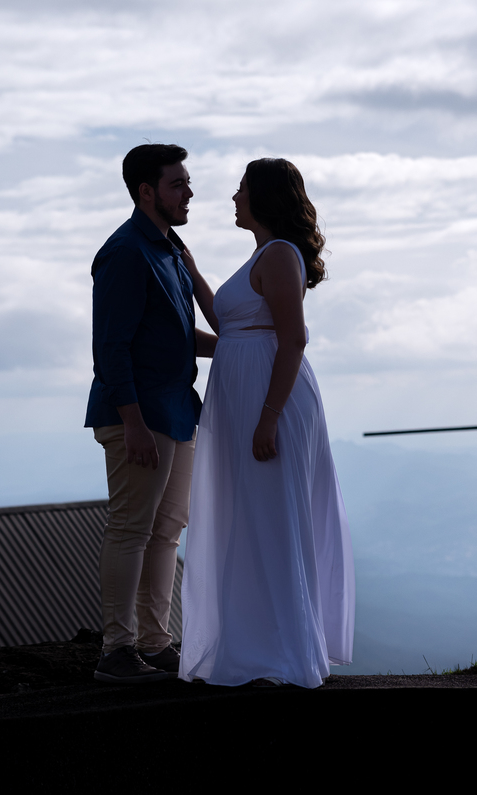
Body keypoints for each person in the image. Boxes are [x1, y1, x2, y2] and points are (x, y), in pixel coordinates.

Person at [178, 158, 354, 688]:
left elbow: (293, 339)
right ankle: (255, 647)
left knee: (271, 518)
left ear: (264, 196)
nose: (234, 198)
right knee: (248, 517)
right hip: (246, 397)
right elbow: (229, 327)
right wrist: (192, 273)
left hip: (271, 401)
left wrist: (268, 418)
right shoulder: (262, 254)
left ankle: (282, 654)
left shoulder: (278, 254)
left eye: (241, 189)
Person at [85, 144, 217, 683]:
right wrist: (133, 422)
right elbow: (110, 347)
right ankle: (117, 650)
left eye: (187, 182)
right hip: (138, 416)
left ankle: (155, 642)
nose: (189, 193)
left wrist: (244, 346)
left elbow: (178, 337)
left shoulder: (169, 250)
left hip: (176, 411)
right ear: (146, 192)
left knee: (166, 531)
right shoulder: (126, 252)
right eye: (177, 184)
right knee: (131, 529)